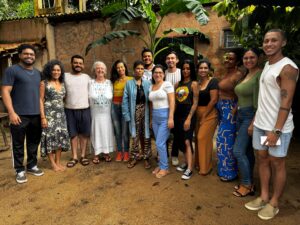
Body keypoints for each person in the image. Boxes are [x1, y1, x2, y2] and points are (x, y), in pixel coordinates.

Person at [245, 29, 298, 220]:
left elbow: (286, 102)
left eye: (273, 40)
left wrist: (276, 130)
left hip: (277, 127)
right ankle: (264, 196)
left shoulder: (287, 68)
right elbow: (265, 99)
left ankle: (274, 202)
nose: (268, 44)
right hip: (261, 124)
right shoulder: (267, 65)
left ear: (283, 43)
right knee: (262, 159)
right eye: (266, 41)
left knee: (277, 162)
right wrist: (254, 122)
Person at [2, 44, 44, 183]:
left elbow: (39, 96)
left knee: (33, 142)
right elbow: (5, 92)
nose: (29, 56)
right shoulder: (12, 71)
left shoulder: (38, 73)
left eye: (31, 54)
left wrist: (41, 114)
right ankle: (19, 170)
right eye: (26, 54)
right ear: (19, 55)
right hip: (19, 115)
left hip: (35, 114)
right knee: (18, 144)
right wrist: (11, 113)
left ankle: (32, 165)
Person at [232, 49, 262, 197]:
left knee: (237, 150)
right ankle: (249, 181)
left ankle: (246, 184)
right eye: (245, 58)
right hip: (240, 115)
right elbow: (242, 94)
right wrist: (236, 108)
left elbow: (260, 102)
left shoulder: (259, 75)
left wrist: (253, 123)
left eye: (252, 57)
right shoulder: (246, 74)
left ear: (258, 58)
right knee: (248, 151)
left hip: (251, 115)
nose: (248, 60)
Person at [216, 50, 244, 182]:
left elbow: (241, 93)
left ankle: (229, 173)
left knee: (225, 141)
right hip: (221, 107)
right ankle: (223, 169)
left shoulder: (238, 75)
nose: (227, 60)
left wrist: (235, 108)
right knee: (222, 141)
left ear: (237, 61)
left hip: (230, 109)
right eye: (226, 58)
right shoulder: (227, 73)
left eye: (231, 59)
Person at [40, 60, 70, 172]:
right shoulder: (44, 83)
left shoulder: (62, 84)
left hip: (61, 114)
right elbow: (40, 100)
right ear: (49, 71)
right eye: (53, 70)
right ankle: (52, 164)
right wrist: (43, 117)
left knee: (60, 137)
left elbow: (63, 98)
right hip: (49, 115)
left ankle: (58, 162)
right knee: (50, 138)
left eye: (58, 70)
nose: (56, 72)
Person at [122, 60, 152, 169]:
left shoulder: (148, 83)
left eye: (141, 69)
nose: (139, 71)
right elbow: (125, 101)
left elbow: (151, 100)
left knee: (146, 135)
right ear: (134, 70)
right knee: (135, 136)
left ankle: (146, 157)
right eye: (138, 68)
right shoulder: (129, 83)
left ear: (143, 71)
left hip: (146, 111)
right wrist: (127, 115)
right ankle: (134, 157)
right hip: (134, 111)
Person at [173, 60, 198, 180]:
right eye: (183, 68)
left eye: (188, 68)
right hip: (178, 116)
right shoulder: (177, 84)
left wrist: (189, 118)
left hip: (188, 116)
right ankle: (186, 163)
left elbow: (195, 103)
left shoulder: (194, 84)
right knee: (181, 141)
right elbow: (175, 103)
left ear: (191, 70)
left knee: (187, 141)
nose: (185, 71)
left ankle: (190, 169)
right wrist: (172, 117)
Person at [65, 55, 91, 167]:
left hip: (85, 108)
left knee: (84, 134)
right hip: (70, 109)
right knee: (73, 134)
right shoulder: (65, 76)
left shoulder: (87, 77)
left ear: (83, 65)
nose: (78, 65)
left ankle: (83, 155)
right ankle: (74, 156)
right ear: (71, 63)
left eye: (80, 63)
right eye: (75, 63)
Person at [149, 65, 175, 178]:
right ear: (153, 74)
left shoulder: (167, 84)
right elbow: (151, 104)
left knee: (160, 142)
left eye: (160, 72)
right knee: (160, 143)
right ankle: (160, 165)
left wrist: (171, 117)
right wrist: (151, 118)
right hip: (155, 117)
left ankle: (165, 168)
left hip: (165, 116)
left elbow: (172, 101)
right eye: (156, 72)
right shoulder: (151, 87)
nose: (158, 74)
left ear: (163, 74)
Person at [195, 60, 219, 176]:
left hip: (210, 114)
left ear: (209, 69)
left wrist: (204, 116)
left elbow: (214, 100)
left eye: (205, 68)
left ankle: (206, 167)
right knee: (201, 140)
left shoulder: (213, 81)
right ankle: (199, 163)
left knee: (202, 137)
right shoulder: (198, 84)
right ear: (198, 70)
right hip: (197, 114)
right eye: (200, 68)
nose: (203, 70)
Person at [89, 61, 114, 164]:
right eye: (98, 68)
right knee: (96, 132)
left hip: (106, 113)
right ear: (94, 70)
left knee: (106, 132)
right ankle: (96, 153)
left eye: (102, 68)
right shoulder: (90, 83)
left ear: (105, 70)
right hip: (95, 113)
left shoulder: (109, 83)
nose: (100, 70)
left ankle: (106, 152)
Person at [111, 60, 133, 162]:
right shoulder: (114, 81)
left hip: (125, 107)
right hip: (114, 107)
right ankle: (119, 152)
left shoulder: (130, 80)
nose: (120, 69)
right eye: (118, 67)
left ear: (125, 68)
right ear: (116, 69)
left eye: (122, 67)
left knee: (125, 131)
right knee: (117, 131)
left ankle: (126, 152)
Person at [165, 51, 181, 166]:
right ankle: (164, 154)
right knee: (164, 131)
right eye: (168, 58)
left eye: (173, 58)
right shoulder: (162, 73)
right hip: (165, 107)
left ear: (177, 60)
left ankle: (175, 154)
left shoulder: (181, 72)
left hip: (179, 107)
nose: (170, 60)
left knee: (176, 133)